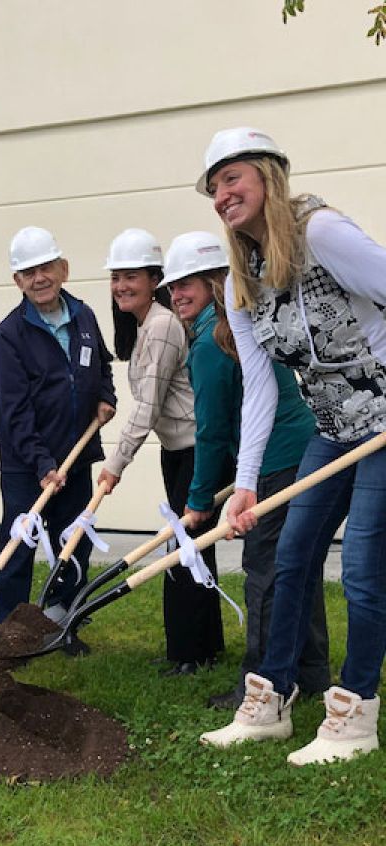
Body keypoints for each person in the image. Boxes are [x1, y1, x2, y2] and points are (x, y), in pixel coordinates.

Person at [197, 127, 386, 765]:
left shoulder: (323, 234)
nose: (223, 195)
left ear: (269, 176)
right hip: (331, 429)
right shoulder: (238, 279)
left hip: (385, 423)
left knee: (360, 566)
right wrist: (245, 483)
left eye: (233, 179)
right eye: (214, 187)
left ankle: (356, 713)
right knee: (288, 557)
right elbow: (260, 389)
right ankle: (271, 700)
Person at [160, 231, 329, 706]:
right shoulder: (236, 325)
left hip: (280, 463)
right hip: (303, 452)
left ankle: (259, 683)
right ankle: (312, 673)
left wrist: (196, 503)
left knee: (267, 571)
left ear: (216, 279)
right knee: (299, 566)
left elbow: (210, 434)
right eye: (172, 286)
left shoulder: (212, 345)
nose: (177, 294)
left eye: (187, 283)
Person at [97, 228, 225, 675]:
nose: (120, 286)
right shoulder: (147, 325)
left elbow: (148, 406)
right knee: (193, 548)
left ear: (155, 279)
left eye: (131, 276)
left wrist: (114, 466)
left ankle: (189, 655)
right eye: (116, 277)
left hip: (194, 452)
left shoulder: (163, 326)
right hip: (178, 451)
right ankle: (206, 648)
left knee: (181, 550)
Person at [0, 226, 116, 642]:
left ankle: (63, 623)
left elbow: (103, 365)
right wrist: (42, 463)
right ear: (17, 281)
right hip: (28, 465)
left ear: (63, 269)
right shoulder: (8, 335)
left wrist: (106, 396)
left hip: (76, 459)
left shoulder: (84, 315)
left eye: (46, 267)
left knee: (72, 543)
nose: (39, 277)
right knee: (19, 546)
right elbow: (15, 410)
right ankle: (7, 630)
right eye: (28, 272)